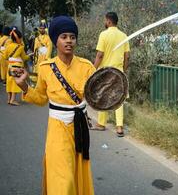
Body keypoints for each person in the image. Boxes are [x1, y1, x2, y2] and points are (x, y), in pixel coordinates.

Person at [13, 16, 95, 195]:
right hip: (57, 130)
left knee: (77, 174)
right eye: (64, 36)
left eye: (72, 37)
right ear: (55, 40)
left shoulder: (87, 67)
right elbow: (42, 99)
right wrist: (24, 86)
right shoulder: (45, 68)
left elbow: (96, 96)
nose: (69, 41)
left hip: (80, 129)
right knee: (62, 181)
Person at [93, 12, 130, 137]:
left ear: (108, 21)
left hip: (106, 71)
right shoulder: (124, 36)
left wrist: (93, 69)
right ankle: (119, 127)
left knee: (103, 96)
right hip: (118, 71)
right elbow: (127, 56)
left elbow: (99, 55)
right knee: (118, 99)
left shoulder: (103, 35)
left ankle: (101, 123)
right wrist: (123, 70)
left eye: (105, 20)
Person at [3, 28, 30, 105]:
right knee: (15, 83)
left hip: (10, 66)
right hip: (17, 66)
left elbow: (5, 57)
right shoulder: (20, 47)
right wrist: (30, 55)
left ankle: (9, 99)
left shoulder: (8, 46)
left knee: (9, 82)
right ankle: (13, 100)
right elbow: (24, 58)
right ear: (19, 38)